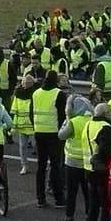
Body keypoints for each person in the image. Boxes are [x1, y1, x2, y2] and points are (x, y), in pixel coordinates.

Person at [55, 96, 94, 221]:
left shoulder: (73, 122)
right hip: (88, 163)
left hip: (72, 163)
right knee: (88, 194)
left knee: (71, 195)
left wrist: (66, 119)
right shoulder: (91, 121)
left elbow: (61, 135)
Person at [32, 70, 68, 208]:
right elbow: (62, 116)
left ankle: (40, 198)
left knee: (41, 167)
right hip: (54, 134)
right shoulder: (59, 94)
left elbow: (32, 112)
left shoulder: (36, 93)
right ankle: (59, 198)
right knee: (55, 166)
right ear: (56, 81)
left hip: (39, 132)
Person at [84, 104, 111, 221]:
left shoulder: (88, 124)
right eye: (110, 112)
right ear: (105, 113)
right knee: (106, 207)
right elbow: (105, 149)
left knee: (93, 206)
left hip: (88, 169)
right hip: (102, 170)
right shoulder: (106, 127)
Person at [11, 75, 36, 175]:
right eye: (24, 83)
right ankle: (24, 165)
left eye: (28, 83)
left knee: (38, 147)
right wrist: (14, 125)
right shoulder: (18, 93)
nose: (26, 85)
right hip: (22, 125)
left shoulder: (35, 94)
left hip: (33, 125)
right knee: (22, 146)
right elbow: (14, 109)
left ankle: (43, 165)